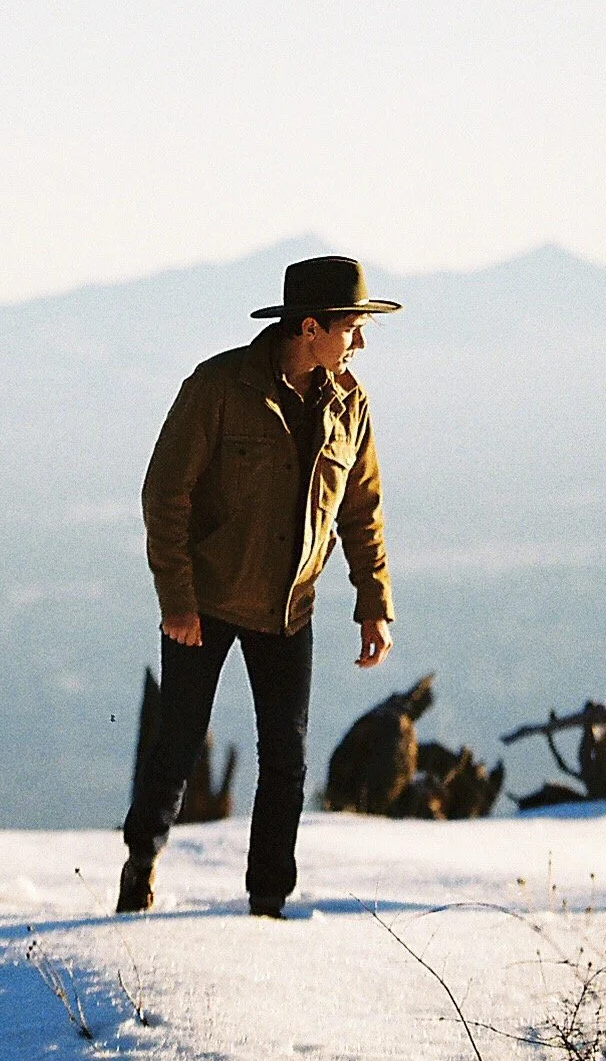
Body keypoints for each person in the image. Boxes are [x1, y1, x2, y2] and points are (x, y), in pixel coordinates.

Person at [117, 254, 400, 918]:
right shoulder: (217, 387)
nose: (359, 343)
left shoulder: (350, 403)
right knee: (178, 747)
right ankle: (141, 861)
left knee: (286, 761)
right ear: (310, 328)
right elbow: (165, 495)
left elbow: (362, 509)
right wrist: (178, 602)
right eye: (352, 328)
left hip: (288, 608)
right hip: (207, 605)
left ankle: (267, 902)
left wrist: (373, 602)